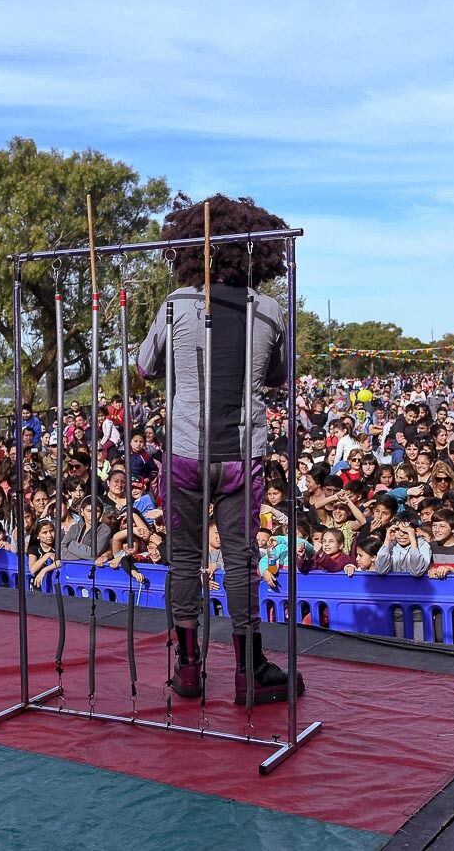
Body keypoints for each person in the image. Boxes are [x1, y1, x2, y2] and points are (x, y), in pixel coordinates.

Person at [135, 194, 300, 705]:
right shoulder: (271, 309)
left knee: (183, 558)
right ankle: (250, 669)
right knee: (242, 560)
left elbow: (145, 366)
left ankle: (188, 670)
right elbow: (281, 374)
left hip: (185, 453)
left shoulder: (176, 303)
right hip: (240, 456)